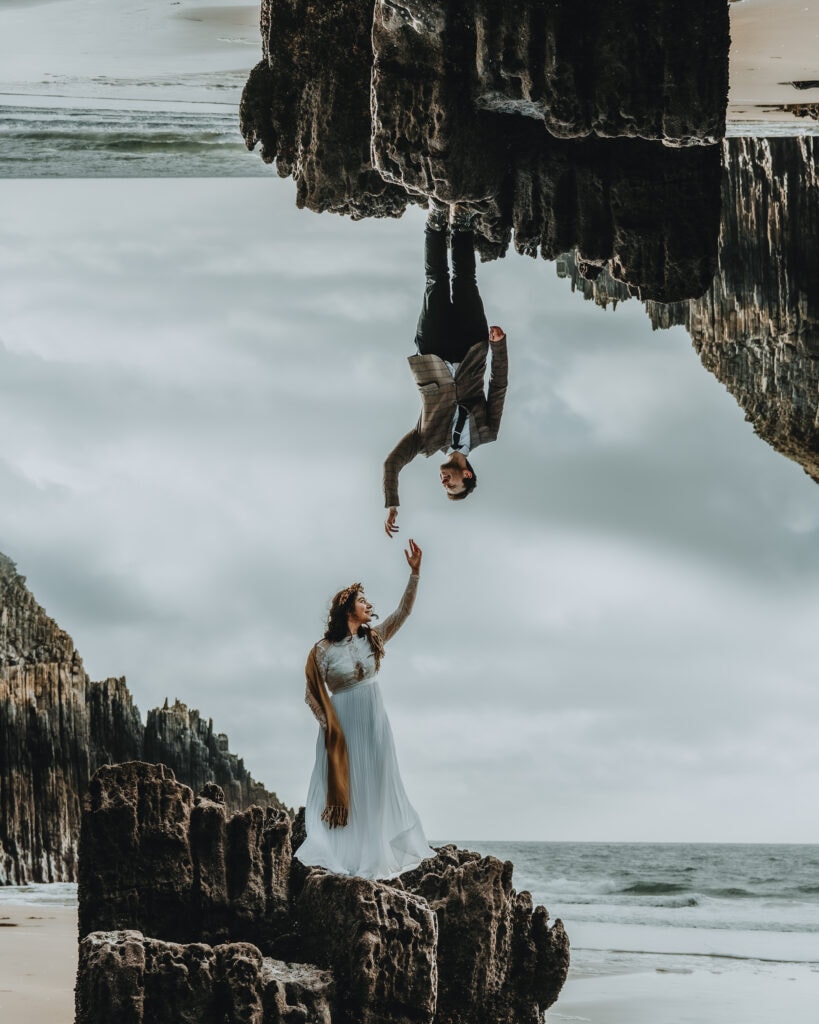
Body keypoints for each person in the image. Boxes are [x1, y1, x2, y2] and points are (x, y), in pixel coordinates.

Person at [293, 539, 435, 879]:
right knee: (349, 791)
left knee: (375, 787)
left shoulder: (374, 638)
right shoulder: (322, 651)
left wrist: (414, 574)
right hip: (341, 727)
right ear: (347, 609)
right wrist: (328, 725)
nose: (368, 605)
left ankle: (371, 859)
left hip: (374, 723)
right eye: (362, 600)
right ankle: (342, 858)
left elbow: (404, 612)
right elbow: (312, 692)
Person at [383, 205, 509, 538]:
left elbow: (392, 463)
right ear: (467, 476)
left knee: (435, 281)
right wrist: (499, 347)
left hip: (434, 351)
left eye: (444, 487)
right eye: (451, 486)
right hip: (472, 348)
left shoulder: (425, 441)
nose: (444, 482)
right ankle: (463, 221)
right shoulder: (487, 432)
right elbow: (498, 388)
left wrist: (392, 502)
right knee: (466, 280)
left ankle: (436, 221)